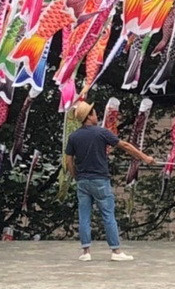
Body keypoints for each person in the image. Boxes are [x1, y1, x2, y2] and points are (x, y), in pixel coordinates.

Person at [64, 100, 155, 261]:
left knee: (84, 216)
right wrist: (145, 158)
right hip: (100, 180)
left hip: (83, 181)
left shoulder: (73, 137)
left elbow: (69, 161)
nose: (96, 114)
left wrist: (76, 176)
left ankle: (86, 252)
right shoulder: (101, 132)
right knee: (108, 215)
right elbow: (125, 146)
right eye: (94, 112)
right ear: (89, 116)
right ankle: (116, 252)